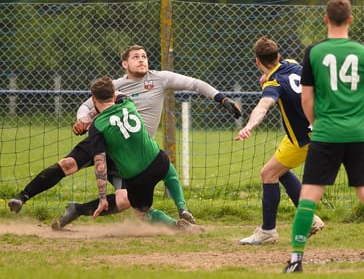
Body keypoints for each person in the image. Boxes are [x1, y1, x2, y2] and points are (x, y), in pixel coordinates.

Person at [8, 44, 241, 227]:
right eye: (136, 57)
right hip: (104, 139)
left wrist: (222, 99)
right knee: (68, 164)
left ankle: (77, 209)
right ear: (124, 63)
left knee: (124, 200)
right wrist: (83, 120)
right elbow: (86, 105)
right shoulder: (115, 86)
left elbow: (195, 84)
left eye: (144, 56)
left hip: (129, 153)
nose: (142, 60)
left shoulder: (159, 79)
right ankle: (22, 196)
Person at [283, 0, 364, 273]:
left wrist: (316, 123)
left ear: (325, 19)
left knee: (308, 196)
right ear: (351, 20)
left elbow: (306, 99)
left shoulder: (313, 53)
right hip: (357, 134)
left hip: (325, 134)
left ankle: (296, 261)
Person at [234, 36, 324, 244]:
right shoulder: (292, 64)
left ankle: (267, 232)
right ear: (279, 56)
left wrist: (249, 126)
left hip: (304, 138)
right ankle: (309, 219)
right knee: (278, 171)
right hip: (316, 129)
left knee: (268, 174)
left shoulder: (274, 83)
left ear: (257, 61)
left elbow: (263, 106)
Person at [85, 76, 198, 230]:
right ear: (113, 95)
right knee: (169, 171)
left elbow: (100, 165)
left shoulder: (97, 126)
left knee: (142, 212)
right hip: (157, 161)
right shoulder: (127, 101)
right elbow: (118, 94)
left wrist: (103, 198)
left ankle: (176, 226)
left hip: (136, 178)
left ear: (93, 98)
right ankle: (182, 207)